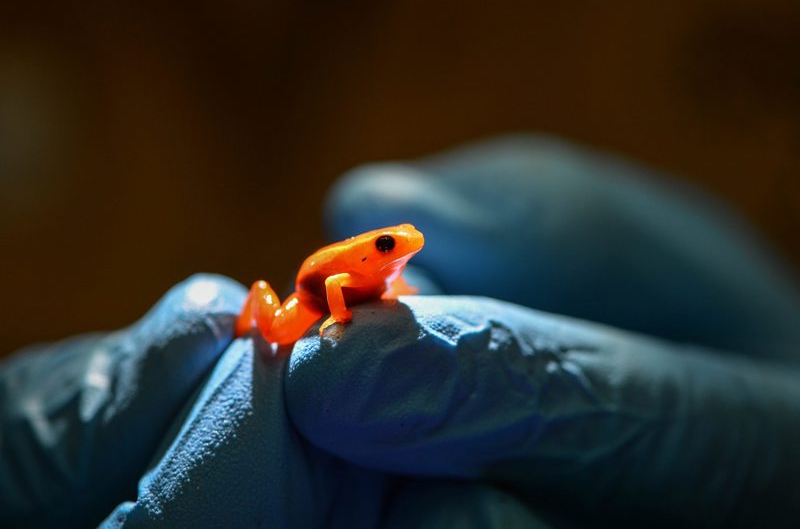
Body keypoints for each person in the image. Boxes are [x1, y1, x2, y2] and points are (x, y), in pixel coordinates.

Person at [2, 136, 799, 528]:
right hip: (297, 317)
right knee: (280, 352)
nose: (399, 248)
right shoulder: (353, 273)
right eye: (392, 245)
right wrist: (314, 320)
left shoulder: (390, 265)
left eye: (398, 243)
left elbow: (389, 280)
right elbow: (335, 289)